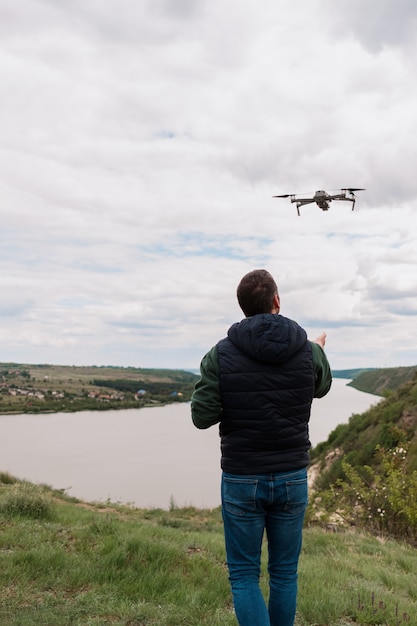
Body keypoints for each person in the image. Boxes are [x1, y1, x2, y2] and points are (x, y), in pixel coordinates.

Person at [191, 269, 332, 626]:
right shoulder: (307, 350)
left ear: (242, 308)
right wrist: (318, 352)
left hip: (241, 478)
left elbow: (201, 416)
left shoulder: (219, 354)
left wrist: (235, 397)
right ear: (277, 302)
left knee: (243, 575)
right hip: (291, 475)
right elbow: (321, 387)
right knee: (284, 573)